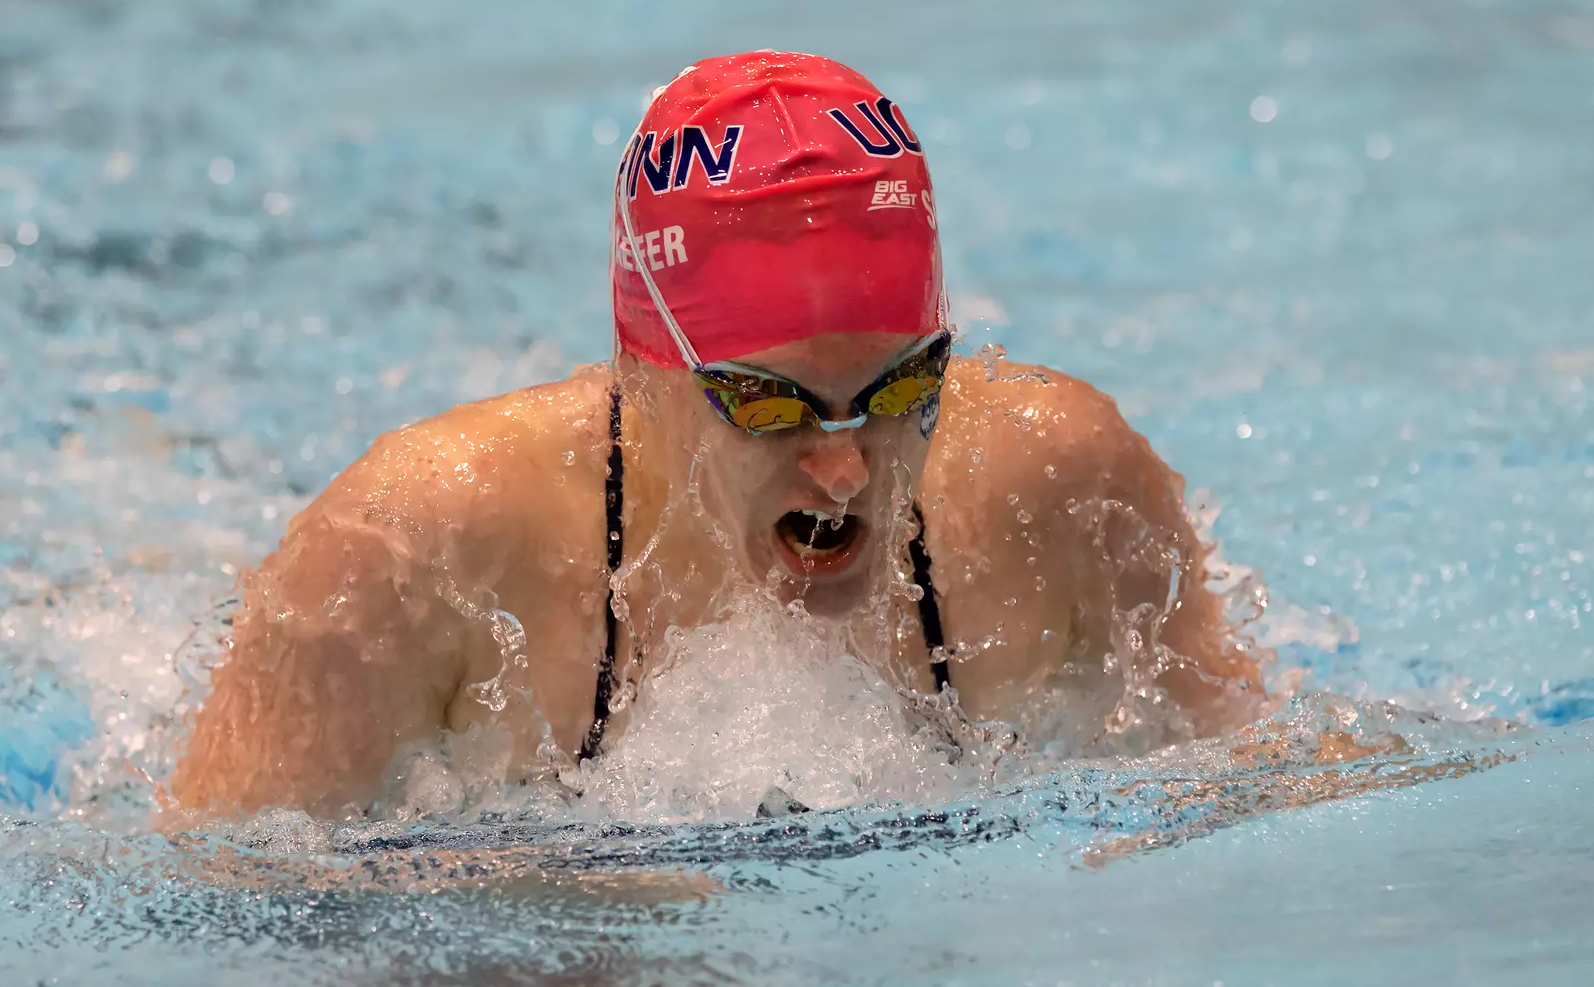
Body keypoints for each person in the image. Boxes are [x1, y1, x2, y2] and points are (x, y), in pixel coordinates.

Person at [170, 51, 1265, 819]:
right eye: (769, 402)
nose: (844, 465)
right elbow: (219, 909)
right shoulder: (414, 551)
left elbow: (1255, 773)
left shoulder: (1062, 481)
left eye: (900, 389)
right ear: (645, 370)